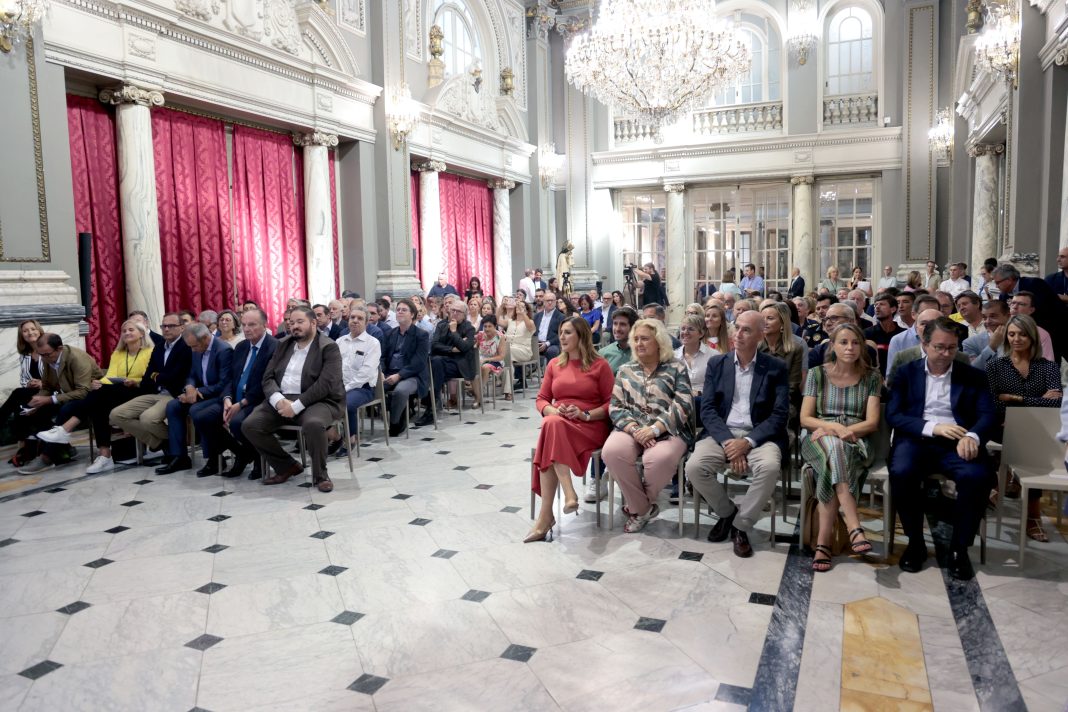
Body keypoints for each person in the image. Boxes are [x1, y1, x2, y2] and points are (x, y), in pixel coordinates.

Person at [887, 317, 996, 581]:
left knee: (977, 476)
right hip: (917, 438)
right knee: (901, 472)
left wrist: (972, 435)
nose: (946, 354)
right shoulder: (906, 373)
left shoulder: (973, 376)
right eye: (939, 347)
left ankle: (959, 548)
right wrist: (933, 427)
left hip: (958, 440)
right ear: (925, 344)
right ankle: (915, 542)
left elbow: (988, 415)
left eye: (951, 348)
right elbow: (894, 415)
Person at [685, 311, 790, 557]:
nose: (738, 334)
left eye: (746, 330)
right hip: (722, 433)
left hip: (760, 436)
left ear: (761, 336)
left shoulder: (776, 367)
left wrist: (747, 442)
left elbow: (779, 414)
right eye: (737, 327)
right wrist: (729, 442)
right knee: (694, 467)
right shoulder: (717, 364)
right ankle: (728, 512)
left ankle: (740, 527)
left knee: (769, 468)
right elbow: (708, 409)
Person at [801, 323, 883, 572]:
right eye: (844, 342)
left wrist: (841, 432)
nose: (850, 348)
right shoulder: (816, 374)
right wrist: (835, 428)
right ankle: (854, 526)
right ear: (833, 346)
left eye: (855, 343)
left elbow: (872, 423)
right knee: (835, 448)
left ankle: (823, 543)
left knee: (833, 459)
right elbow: (805, 418)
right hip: (817, 440)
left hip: (856, 441)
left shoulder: (872, 377)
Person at [526, 316, 615, 543]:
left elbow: (611, 404)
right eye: (561, 333)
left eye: (567, 333)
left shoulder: (600, 365)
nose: (562, 337)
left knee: (549, 432)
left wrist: (585, 414)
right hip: (560, 423)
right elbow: (542, 399)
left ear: (581, 335)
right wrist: (553, 411)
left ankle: (546, 516)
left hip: (590, 425)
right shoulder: (554, 364)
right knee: (551, 424)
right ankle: (566, 496)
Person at [603, 318, 695, 533]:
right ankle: (643, 508)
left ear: (659, 341)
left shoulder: (676, 367)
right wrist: (635, 430)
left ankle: (637, 508)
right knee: (612, 452)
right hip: (631, 428)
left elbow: (683, 404)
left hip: (669, 430)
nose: (639, 343)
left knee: (658, 458)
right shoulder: (625, 370)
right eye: (635, 339)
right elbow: (615, 406)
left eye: (644, 339)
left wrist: (655, 429)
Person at [242, 306, 345, 492]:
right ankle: (287, 466)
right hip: (283, 398)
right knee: (250, 425)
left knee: (314, 424)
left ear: (313, 323)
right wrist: (278, 400)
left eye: (300, 322)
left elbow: (325, 384)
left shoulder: (328, 346)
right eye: (291, 323)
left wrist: (296, 406)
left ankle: (320, 475)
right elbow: (267, 378)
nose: (294, 326)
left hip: (318, 400)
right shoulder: (283, 344)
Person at [36, 320, 155, 474]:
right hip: (117, 392)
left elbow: (151, 378)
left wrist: (134, 381)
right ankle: (104, 456)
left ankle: (66, 430)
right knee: (98, 402)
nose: (126, 333)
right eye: (124, 330)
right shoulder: (118, 353)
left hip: (141, 391)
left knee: (98, 397)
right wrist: (98, 383)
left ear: (142, 333)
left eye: (131, 330)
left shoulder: (151, 352)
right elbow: (110, 376)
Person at [984, 314, 1063, 542]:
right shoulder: (995, 365)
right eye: (1012, 334)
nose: (1017, 339)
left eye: (1022, 334)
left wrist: (1015, 399)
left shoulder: (1048, 367)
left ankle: (1027, 509)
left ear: (1032, 337)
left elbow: (1056, 402)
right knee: (1028, 444)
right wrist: (1036, 402)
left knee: (1034, 446)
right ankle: (1030, 514)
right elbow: (994, 402)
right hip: (1001, 425)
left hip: (1036, 428)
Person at [109, 313, 192, 464]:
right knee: (116, 415)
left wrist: (157, 375)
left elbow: (177, 376)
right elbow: (148, 375)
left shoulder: (186, 346)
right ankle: (162, 443)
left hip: (175, 394)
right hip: (155, 392)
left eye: (171, 326)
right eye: (163, 326)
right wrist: (158, 376)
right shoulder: (159, 347)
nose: (166, 329)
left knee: (148, 418)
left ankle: (176, 447)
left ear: (181, 327)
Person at [15, 334, 103, 475]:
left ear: (59, 349)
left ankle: (46, 458)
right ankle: (64, 448)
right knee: (37, 410)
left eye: (46, 355)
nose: (43, 358)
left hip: (90, 396)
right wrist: (37, 401)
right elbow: (47, 386)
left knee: (65, 409)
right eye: (41, 355)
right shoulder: (47, 357)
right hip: (69, 394)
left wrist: (49, 399)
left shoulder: (76, 358)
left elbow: (82, 391)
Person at [155, 322, 234, 475]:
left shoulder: (223, 350)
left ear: (205, 338)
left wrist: (197, 392)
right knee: (173, 406)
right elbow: (191, 374)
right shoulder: (197, 348)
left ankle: (214, 459)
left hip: (218, 396)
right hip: (200, 394)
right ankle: (179, 457)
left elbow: (224, 383)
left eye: (194, 346)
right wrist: (190, 387)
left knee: (197, 411)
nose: (192, 350)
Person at [214, 308, 277, 479]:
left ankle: (257, 459)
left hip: (258, 399)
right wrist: (227, 399)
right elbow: (230, 377)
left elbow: (267, 382)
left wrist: (242, 403)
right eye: (244, 325)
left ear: (264, 325)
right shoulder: (241, 346)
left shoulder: (274, 347)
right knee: (206, 417)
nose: (247, 329)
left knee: (237, 422)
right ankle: (243, 454)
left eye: (252, 325)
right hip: (235, 397)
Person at [328, 304, 379, 453]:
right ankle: (334, 436)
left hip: (363, 388)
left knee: (347, 403)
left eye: (360, 318)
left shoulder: (372, 343)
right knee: (317, 402)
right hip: (340, 386)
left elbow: (366, 372)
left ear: (366, 323)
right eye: (352, 317)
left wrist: (346, 388)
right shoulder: (340, 341)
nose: (355, 321)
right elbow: (332, 367)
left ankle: (351, 438)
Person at [994, 263, 1065, 363]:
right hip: (1025, 334)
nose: (996, 286)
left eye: (998, 282)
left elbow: (1045, 310)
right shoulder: (1003, 296)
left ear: (1009, 280)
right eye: (1013, 303)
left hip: (1054, 329)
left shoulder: (1034, 284)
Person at [382, 299, 431, 434]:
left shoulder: (421, 335)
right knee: (373, 388)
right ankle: (401, 410)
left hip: (413, 375)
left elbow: (419, 362)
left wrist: (399, 375)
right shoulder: (390, 333)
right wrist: (381, 372)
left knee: (400, 391)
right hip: (390, 373)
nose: (400, 312)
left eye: (404, 310)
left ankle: (395, 423)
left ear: (412, 314)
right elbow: (383, 357)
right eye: (398, 310)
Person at [887, 308, 969, 387]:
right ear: (916, 328)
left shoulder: (961, 358)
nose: (927, 328)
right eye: (923, 324)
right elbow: (892, 389)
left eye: (934, 324)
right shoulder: (903, 358)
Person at [2, 320, 44, 467]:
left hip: (50, 391)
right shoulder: (24, 355)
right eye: (25, 331)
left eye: (33, 329)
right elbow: (23, 379)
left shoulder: (48, 349)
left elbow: (59, 377)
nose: (30, 332)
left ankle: (24, 447)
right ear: (22, 336)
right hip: (31, 391)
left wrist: (41, 383)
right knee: (19, 403)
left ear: (39, 330)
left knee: (17, 394)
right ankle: (25, 448)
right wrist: (28, 383)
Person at [430, 301, 480, 411]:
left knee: (436, 364)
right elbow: (434, 345)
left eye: (458, 311)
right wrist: (452, 349)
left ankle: (432, 399)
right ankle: (434, 399)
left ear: (464, 314)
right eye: (453, 310)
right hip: (443, 362)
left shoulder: (469, 328)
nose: (455, 313)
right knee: (434, 363)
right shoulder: (441, 325)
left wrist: (453, 332)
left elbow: (464, 347)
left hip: (460, 365)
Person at [758, 303, 804, 422]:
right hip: (756, 400)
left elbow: (792, 386)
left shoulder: (795, 349)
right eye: (762, 318)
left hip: (783, 402)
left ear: (783, 323)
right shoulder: (754, 348)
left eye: (770, 318)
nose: (765, 322)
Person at [885, 295, 941, 371]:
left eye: (933, 313)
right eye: (923, 312)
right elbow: (892, 374)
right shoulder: (898, 340)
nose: (929, 317)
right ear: (913, 314)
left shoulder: (947, 339)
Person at [863, 293, 905, 376]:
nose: (877, 307)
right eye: (875, 305)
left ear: (893, 309)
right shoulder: (867, 333)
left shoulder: (903, 334)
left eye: (882, 304)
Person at [1008, 291, 1056, 362]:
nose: (1014, 307)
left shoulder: (1041, 334)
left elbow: (1047, 364)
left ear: (1031, 310)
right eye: (1013, 303)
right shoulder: (998, 328)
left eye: (1021, 304)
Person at [962, 300, 1010, 371]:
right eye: (984, 317)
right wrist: (991, 347)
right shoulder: (970, 343)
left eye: (993, 316)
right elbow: (971, 371)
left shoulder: (1021, 337)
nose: (987, 321)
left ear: (1008, 316)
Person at [675, 315, 712, 402]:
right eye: (683, 329)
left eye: (690, 329)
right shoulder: (673, 356)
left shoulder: (713, 356)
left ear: (701, 333)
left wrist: (699, 393)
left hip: (705, 401)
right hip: (679, 401)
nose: (685, 332)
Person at [476, 315, 511, 400]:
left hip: (495, 361)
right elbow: (476, 347)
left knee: (485, 367)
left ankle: (479, 392)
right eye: (485, 326)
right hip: (481, 359)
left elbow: (501, 356)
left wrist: (486, 359)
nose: (487, 329)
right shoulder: (480, 334)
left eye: (489, 326)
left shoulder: (500, 337)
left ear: (495, 326)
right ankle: (473, 387)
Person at [598, 306, 638, 375]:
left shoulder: (641, 352)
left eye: (623, 324)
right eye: (615, 324)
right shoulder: (603, 353)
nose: (617, 329)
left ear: (632, 327)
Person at [505, 298, 535, 387]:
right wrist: (503, 305)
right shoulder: (511, 321)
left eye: (522, 307)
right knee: (505, 355)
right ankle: (508, 387)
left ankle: (507, 387)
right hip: (510, 349)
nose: (519, 307)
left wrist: (522, 312)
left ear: (526, 310)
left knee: (507, 352)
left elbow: (530, 327)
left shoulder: (530, 322)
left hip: (524, 351)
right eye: (518, 306)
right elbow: (498, 320)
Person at [534, 292, 564, 362]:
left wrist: (547, 344)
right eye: (548, 300)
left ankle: (550, 368)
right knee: (524, 349)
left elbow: (561, 335)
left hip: (552, 344)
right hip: (537, 343)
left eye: (552, 300)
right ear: (544, 302)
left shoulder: (561, 317)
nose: (550, 302)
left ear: (555, 302)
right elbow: (533, 332)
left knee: (552, 351)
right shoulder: (537, 316)